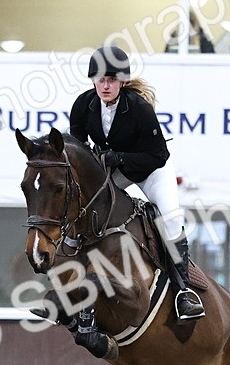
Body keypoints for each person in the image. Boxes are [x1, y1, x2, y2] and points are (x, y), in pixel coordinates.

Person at [68, 45, 205, 325]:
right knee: (89, 208)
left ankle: (183, 292)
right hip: (118, 170)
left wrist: (116, 157)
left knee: (171, 219)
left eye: (112, 80)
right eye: (101, 80)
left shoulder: (139, 109)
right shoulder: (84, 106)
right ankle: (71, 275)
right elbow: (78, 148)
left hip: (152, 170)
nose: (105, 86)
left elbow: (158, 155)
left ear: (122, 82)